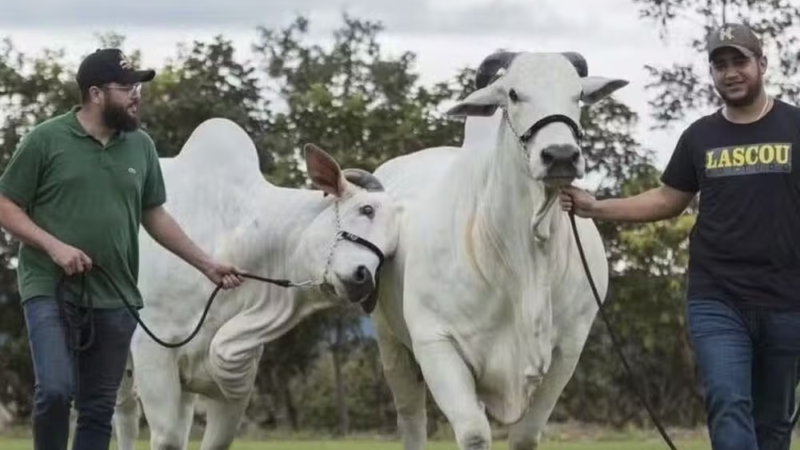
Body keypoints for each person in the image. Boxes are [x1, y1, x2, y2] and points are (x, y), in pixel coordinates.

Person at [561, 23, 800, 450]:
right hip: (718, 297)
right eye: (719, 64)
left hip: (788, 298)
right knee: (728, 403)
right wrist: (595, 207)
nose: (730, 72)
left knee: (773, 424)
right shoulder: (699, 136)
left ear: (762, 64)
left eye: (739, 61)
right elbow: (668, 199)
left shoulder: (795, 126)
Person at [0, 48, 245, 450]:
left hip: (115, 294)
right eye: (127, 87)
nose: (137, 95)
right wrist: (55, 247)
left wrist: (208, 265)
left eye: (138, 87)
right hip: (49, 286)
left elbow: (155, 215)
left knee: (98, 408)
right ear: (95, 93)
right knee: (57, 391)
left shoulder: (140, 146)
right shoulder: (45, 140)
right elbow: (6, 204)